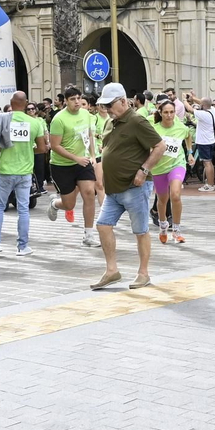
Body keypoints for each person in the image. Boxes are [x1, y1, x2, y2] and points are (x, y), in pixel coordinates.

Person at [90, 83, 166, 290]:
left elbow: (160, 146)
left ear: (123, 101)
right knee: (103, 225)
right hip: (113, 188)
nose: (107, 109)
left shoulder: (137, 120)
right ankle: (112, 271)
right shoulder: (110, 122)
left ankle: (143, 273)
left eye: (110, 105)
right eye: (104, 105)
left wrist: (144, 170)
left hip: (135, 187)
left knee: (140, 231)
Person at [0, 91, 46, 257]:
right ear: (26, 104)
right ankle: (22, 246)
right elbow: (42, 148)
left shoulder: (1, 120)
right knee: (23, 209)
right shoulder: (35, 123)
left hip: (5, 170)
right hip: (25, 171)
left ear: (10, 103)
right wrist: (28, 149)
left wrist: (5, 148)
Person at [47, 86, 100, 244]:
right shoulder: (59, 119)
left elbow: (89, 135)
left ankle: (89, 235)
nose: (77, 102)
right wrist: (75, 158)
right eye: (72, 99)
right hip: (62, 165)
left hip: (83, 162)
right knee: (69, 204)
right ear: (65, 101)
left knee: (89, 193)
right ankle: (55, 204)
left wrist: (92, 155)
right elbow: (55, 146)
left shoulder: (85, 114)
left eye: (78, 98)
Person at [149, 99, 191, 243]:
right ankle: (163, 225)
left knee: (175, 195)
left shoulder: (180, 127)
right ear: (160, 113)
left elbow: (188, 135)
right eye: (166, 112)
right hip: (159, 167)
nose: (169, 115)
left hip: (177, 164)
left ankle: (177, 230)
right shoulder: (154, 129)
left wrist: (190, 153)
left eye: (172, 112)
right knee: (162, 200)